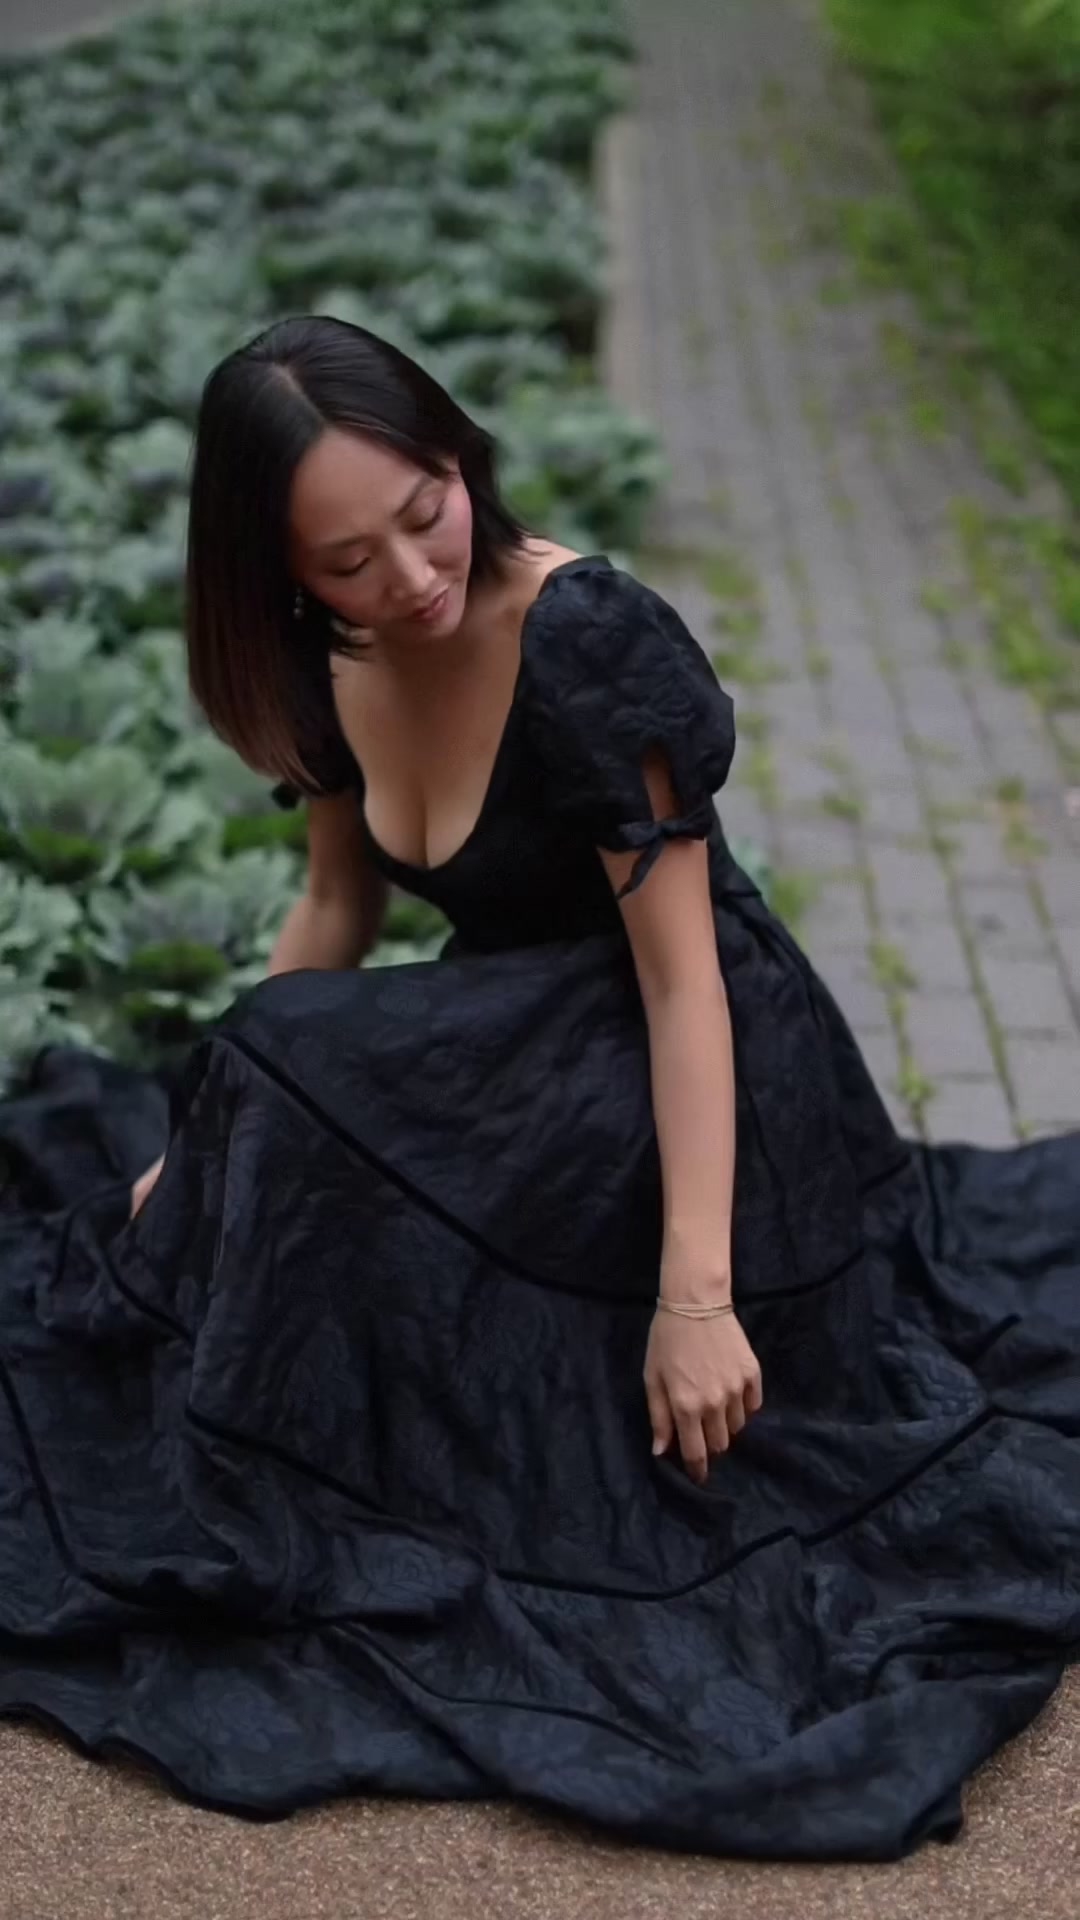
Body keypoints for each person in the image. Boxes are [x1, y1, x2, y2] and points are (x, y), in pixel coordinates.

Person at [0, 314, 1077, 1861]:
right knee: (262, 1082)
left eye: (425, 509)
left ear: (460, 458)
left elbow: (687, 982)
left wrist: (698, 1297)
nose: (411, 576)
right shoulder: (332, 656)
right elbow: (334, 914)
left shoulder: (587, 641)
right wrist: (215, 1144)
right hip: (522, 1055)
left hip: (699, 1061)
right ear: (282, 575)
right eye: (349, 560)